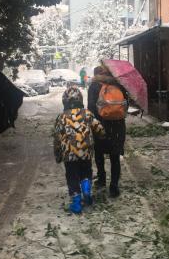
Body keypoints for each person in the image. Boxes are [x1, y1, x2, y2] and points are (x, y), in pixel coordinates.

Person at [53, 85, 105, 214]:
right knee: (86, 171)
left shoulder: (61, 117)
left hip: (69, 153)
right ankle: (86, 191)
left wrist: (58, 154)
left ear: (64, 101)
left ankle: (76, 203)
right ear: (80, 99)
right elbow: (99, 128)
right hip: (85, 151)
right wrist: (102, 136)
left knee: (72, 176)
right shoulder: (87, 113)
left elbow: (57, 138)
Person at [88, 66, 128, 198]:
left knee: (99, 153)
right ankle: (114, 186)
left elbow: (91, 107)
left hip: (101, 125)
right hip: (117, 126)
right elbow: (125, 106)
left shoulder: (94, 86)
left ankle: (101, 179)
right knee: (115, 156)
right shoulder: (119, 86)